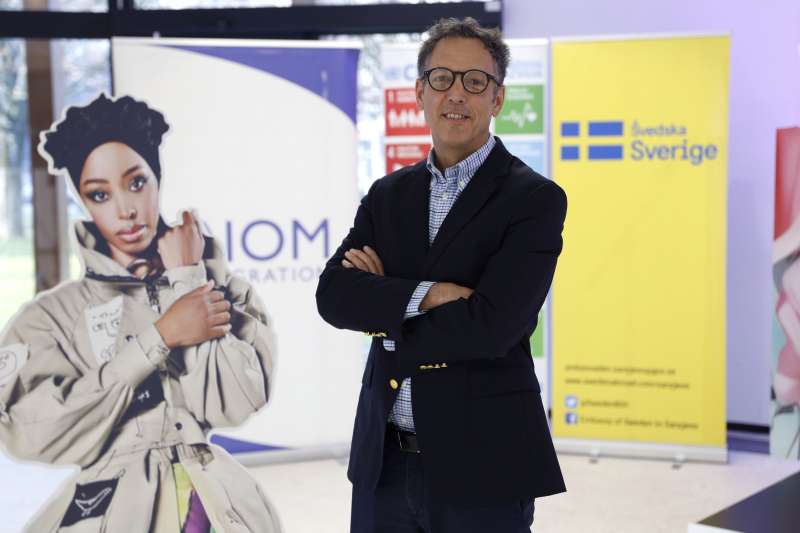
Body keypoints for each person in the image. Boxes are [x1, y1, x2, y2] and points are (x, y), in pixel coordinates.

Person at [316, 17, 567, 533]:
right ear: (420, 92)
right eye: (441, 78)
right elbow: (334, 296)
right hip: (384, 465)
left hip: (485, 463)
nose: (456, 93)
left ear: (497, 98)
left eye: (475, 81)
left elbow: (494, 327)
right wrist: (429, 296)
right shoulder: (388, 195)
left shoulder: (534, 200)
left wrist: (386, 314)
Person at [0, 93, 281, 532]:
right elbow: (28, 432)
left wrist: (188, 279)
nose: (126, 210)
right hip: (110, 508)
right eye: (100, 194)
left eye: (136, 183)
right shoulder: (52, 317)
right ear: (82, 200)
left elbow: (235, 404)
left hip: (216, 503)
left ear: (157, 179)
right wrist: (158, 339)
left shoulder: (224, 289)